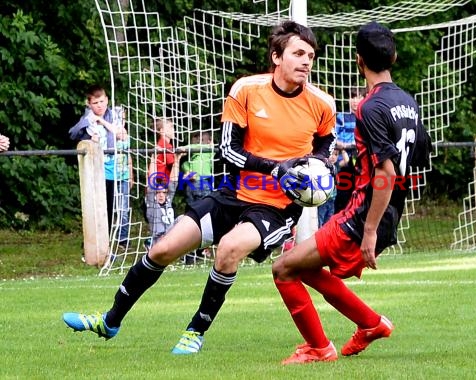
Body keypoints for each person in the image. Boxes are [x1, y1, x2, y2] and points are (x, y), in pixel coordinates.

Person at [62, 20, 336, 355]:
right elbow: (228, 150)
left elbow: (326, 144)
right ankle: (110, 321)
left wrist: (317, 167)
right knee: (163, 249)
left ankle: (196, 331)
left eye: (310, 55)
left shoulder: (322, 103)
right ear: (277, 57)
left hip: (276, 208)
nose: (306, 61)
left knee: (229, 250)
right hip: (233, 193)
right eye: (298, 53)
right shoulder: (247, 90)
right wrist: (276, 168)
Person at [271, 21, 432, 365]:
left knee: (283, 269)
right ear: (395, 57)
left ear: (358, 60)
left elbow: (386, 171)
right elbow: (416, 158)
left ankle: (319, 348)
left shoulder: (369, 108)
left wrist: (369, 230)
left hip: (361, 217)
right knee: (304, 268)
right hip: (386, 213)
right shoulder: (408, 102)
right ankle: (371, 324)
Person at [69, 85, 132, 248]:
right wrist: (89, 133)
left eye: (102, 101)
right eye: (95, 102)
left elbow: (121, 135)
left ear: (107, 100)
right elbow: (73, 134)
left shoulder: (115, 115)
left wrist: (103, 121)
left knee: (113, 208)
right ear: (89, 103)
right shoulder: (87, 119)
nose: (100, 105)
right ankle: (91, 243)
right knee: (96, 207)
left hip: (115, 168)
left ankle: (110, 241)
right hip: (96, 170)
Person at [144, 152, 185, 251]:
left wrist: (177, 159)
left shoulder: (168, 201)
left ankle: (189, 254)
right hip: (160, 238)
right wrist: (153, 158)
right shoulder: (152, 204)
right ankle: (150, 244)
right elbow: (152, 179)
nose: (161, 195)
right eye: (158, 192)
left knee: (182, 218)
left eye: (164, 192)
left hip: (171, 237)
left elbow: (173, 181)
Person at [334, 87, 366, 213]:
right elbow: (334, 137)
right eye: (352, 97)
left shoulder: (366, 117)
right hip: (343, 164)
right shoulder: (342, 117)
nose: (354, 100)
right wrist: (345, 146)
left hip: (361, 163)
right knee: (342, 199)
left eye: (358, 97)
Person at [181, 131, 214, 207]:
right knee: (193, 208)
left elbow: (196, 147)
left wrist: (183, 148)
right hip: (191, 185)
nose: (199, 143)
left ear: (209, 141)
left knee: (204, 208)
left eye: (202, 140)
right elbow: (184, 165)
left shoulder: (207, 151)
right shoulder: (192, 159)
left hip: (202, 182)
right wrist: (188, 172)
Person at [317, 148, 348, 227]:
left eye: (336, 155)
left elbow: (346, 160)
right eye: (332, 154)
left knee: (328, 220)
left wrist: (343, 149)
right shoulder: (323, 166)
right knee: (320, 220)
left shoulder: (336, 166)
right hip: (323, 199)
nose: (333, 157)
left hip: (332, 199)